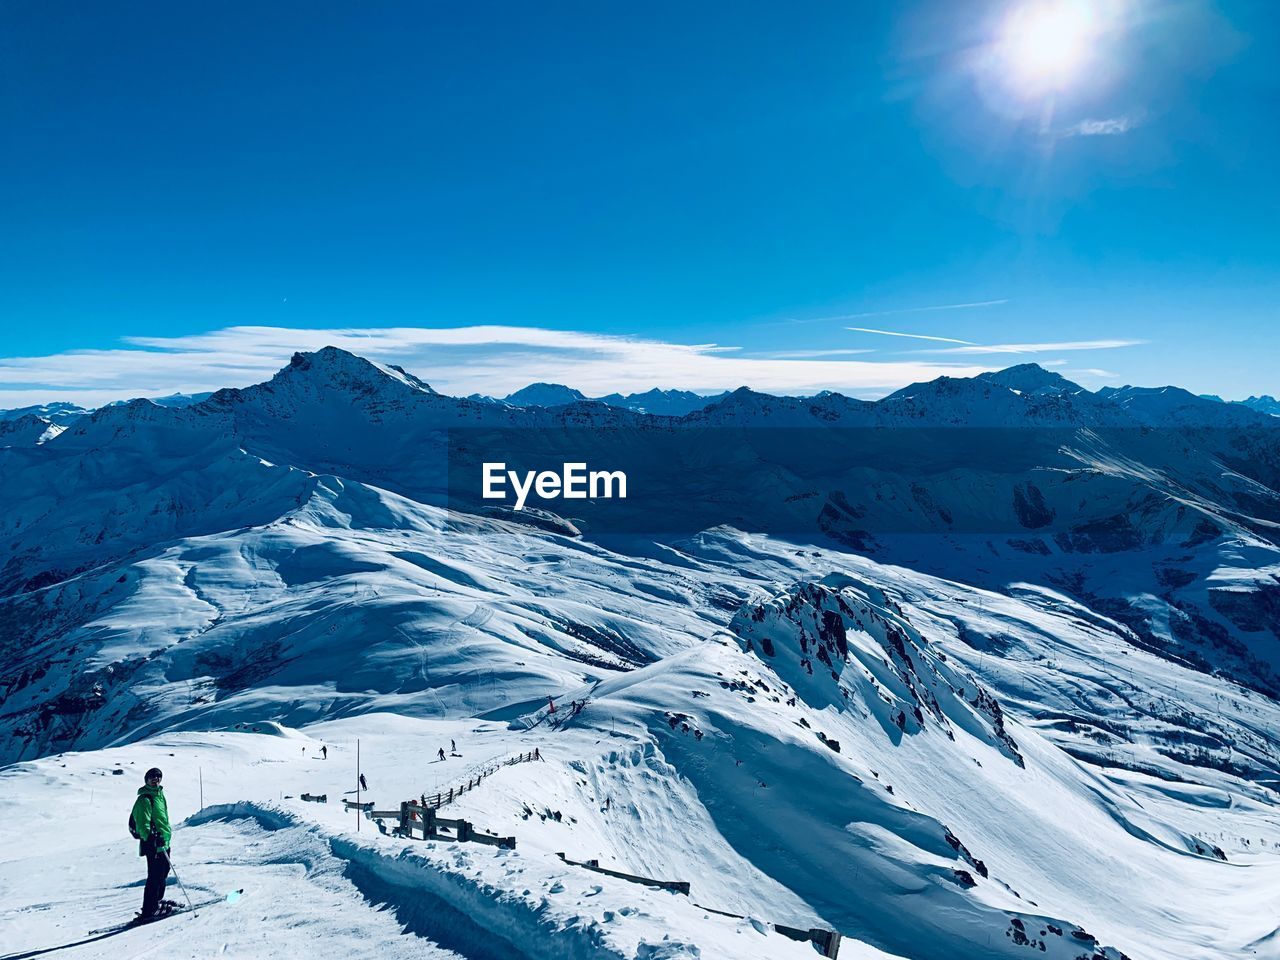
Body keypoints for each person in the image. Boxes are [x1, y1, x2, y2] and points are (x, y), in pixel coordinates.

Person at [130, 767, 173, 920]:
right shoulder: (145, 799)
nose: (156, 779)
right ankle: (150, 909)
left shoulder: (159, 795)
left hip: (164, 842)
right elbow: (143, 824)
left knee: (163, 872)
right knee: (154, 876)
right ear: (146, 780)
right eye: (152, 777)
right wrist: (152, 839)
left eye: (158, 776)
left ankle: (157, 901)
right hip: (153, 843)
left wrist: (165, 837)